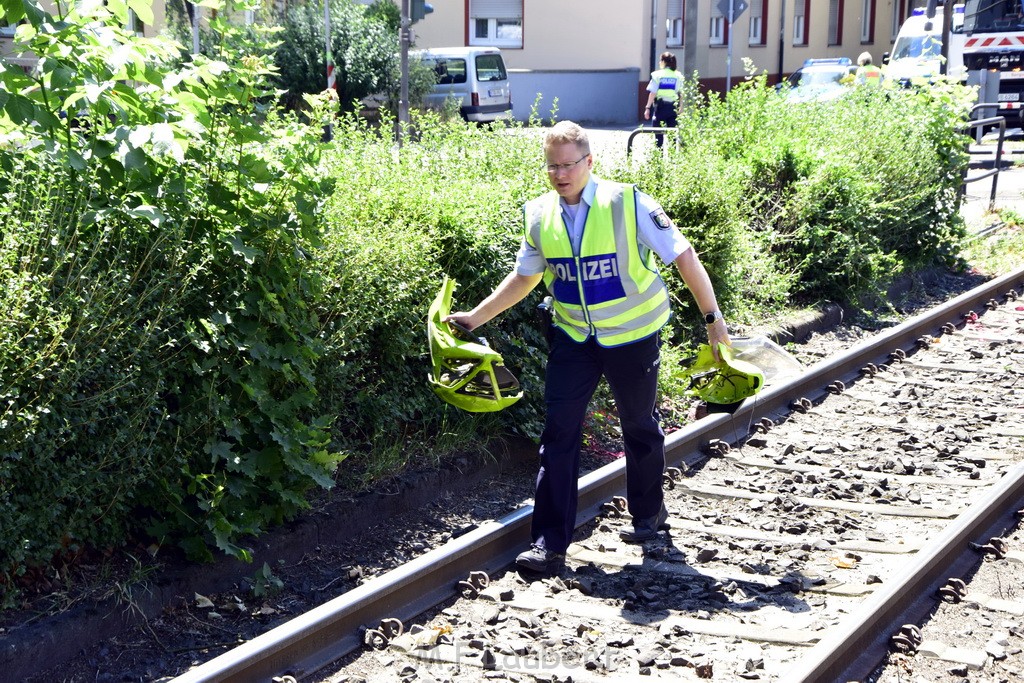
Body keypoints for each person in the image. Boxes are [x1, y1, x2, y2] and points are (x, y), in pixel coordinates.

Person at [445, 121, 731, 575]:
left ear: (589, 162)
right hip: (574, 338)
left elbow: (683, 256)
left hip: (632, 336)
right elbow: (526, 276)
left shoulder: (628, 202)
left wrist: (713, 320)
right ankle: (548, 544)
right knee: (559, 434)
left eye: (569, 165)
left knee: (638, 425)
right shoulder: (540, 214)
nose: (560, 174)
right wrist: (474, 318)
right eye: (552, 166)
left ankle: (648, 513)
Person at [644, 52, 684, 148]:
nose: (659, 63)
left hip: (660, 108)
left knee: (658, 137)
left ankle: (658, 160)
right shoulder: (678, 76)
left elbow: (653, 93)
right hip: (673, 108)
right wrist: (681, 108)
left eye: (660, 60)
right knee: (673, 136)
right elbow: (682, 93)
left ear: (663, 62)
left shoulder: (657, 75)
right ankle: (673, 160)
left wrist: (647, 108)